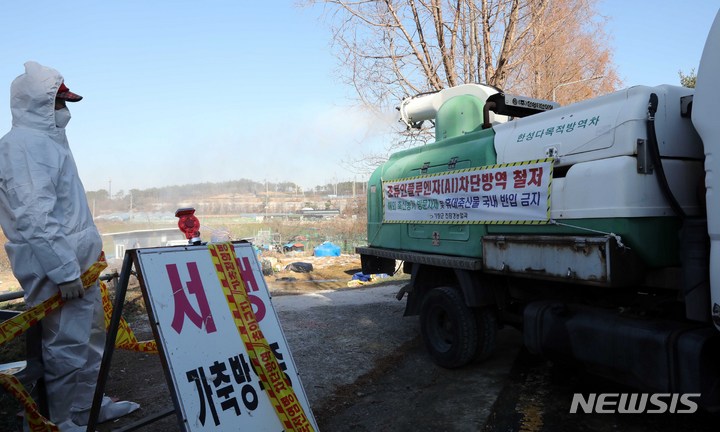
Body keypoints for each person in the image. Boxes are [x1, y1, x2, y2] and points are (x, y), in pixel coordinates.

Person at [0, 61, 139, 431]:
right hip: (56, 268)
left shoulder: (48, 141)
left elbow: (67, 210)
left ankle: (88, 406)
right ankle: (58, 421)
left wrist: (85, 257)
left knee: (90, 338)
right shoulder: (23, 147)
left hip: (79, 265)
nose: (65, 111)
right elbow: (34, 216)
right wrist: (63, 270)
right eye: (59, 104)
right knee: (64, 345)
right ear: (38, 104)